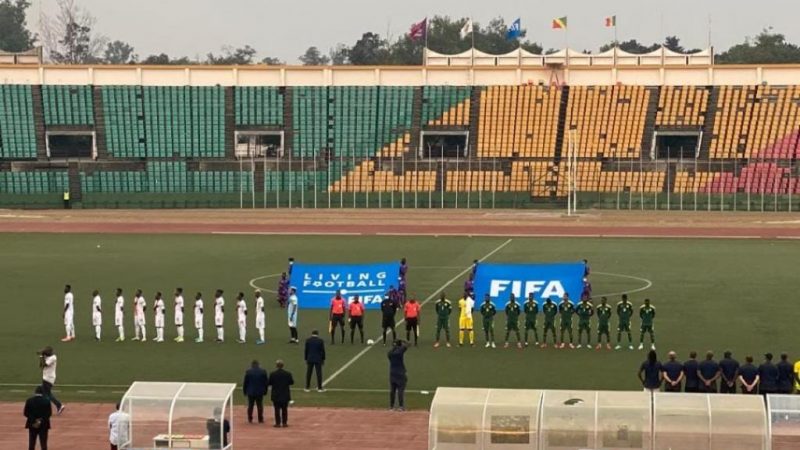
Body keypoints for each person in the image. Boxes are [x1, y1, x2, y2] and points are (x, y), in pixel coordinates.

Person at [267, 360, 294, 427]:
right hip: (285, 394)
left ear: (276, 366)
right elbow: (291, 382)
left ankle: (278, 423)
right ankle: (284, 423)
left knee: (276, 410)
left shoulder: (273, 374)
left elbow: (269, 383)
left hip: (276, 394)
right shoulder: (288, 374)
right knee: (284, 410)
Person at [24, 386, 52, 450]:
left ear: (35, 392)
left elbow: (26, 413)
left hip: (32, 424)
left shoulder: (29, 401)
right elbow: (48, 414)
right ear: (42, 393)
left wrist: (34, 420)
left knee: (31, 444)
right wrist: (40, 420)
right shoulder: (46, 401)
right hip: (43, 425)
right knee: (43, 444)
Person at [38, 347, 64, 415]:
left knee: (46, 394)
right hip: (46, 377)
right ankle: (58, 405)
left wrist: (41, 356)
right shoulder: (47, 357)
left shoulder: (53, 358)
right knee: (46, 393)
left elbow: (44, 365)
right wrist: (42, 356)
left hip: (49, 378)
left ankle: (59, 405)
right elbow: (41, 366)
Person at [388, 339, 410, 411]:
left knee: (392, 391)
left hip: (392, 373)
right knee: (400, 390)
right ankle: (401, 406)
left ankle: (391, 407)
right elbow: (408, 344)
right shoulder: (400, 352)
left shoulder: (390, 353)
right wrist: (403, 341)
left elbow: (393, 349)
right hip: (400, 373)